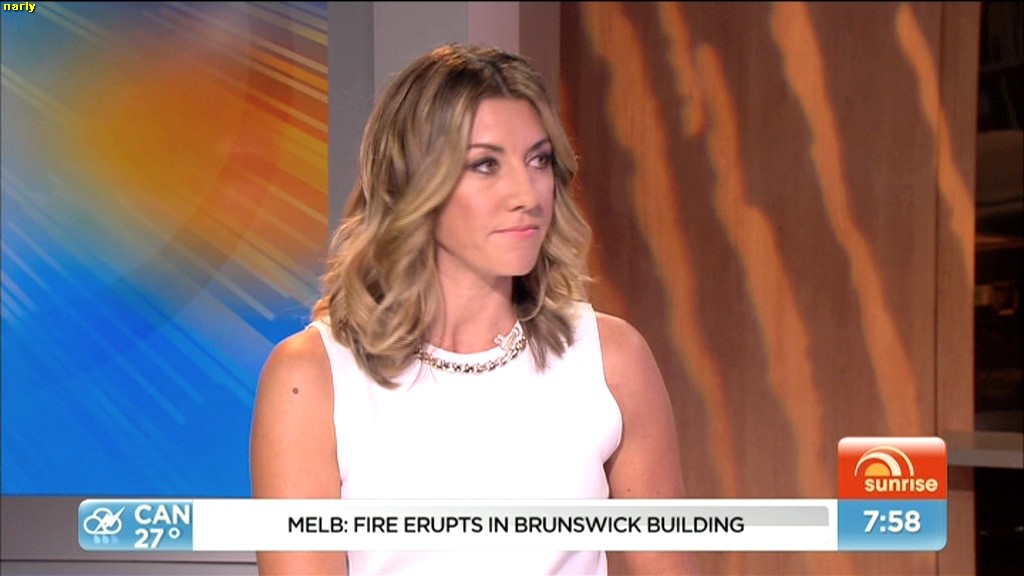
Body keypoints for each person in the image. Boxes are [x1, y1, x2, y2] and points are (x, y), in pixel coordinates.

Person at [250, 43, 690, 576]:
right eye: (486, 165)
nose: (526, 195)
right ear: (414, 183)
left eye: (539, 160)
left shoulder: (611, 359)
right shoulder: (311, 377)